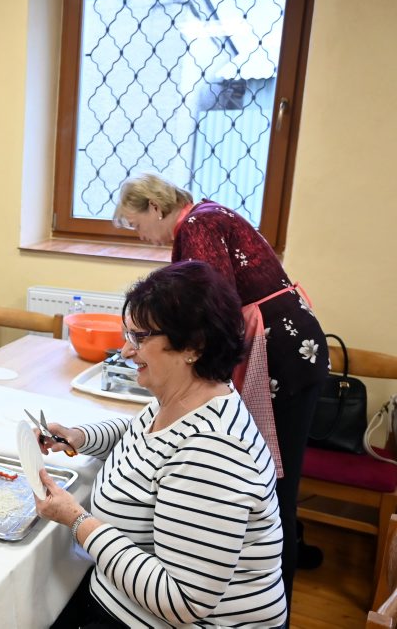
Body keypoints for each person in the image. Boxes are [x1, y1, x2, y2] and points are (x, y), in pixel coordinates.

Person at [113, 173, 329, 609]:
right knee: (277, 473)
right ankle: (271, 563)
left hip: (284, 356)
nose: (142, 236)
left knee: (276, 478)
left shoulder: (197, 226)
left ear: (155, 207)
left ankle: (275, 593)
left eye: (137, 224)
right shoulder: (207, 216)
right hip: (292, 348)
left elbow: (209, 311)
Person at [36, 260, 286, 628]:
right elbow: (141, 436)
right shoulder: (185, 397)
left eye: (139, 337)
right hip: (122, 600)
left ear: (194, 346)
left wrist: (78, 521)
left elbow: (182, 602)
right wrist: (81, 436)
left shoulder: (214, 451)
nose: (125, 350)